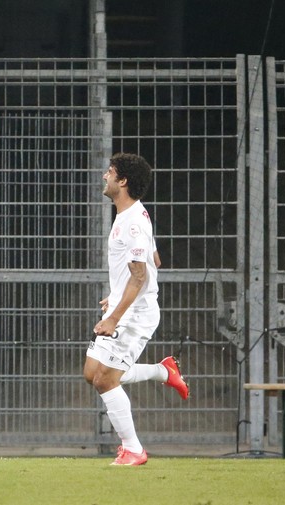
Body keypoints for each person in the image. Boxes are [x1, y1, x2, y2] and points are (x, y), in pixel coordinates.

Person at [83, 152, 189, 466]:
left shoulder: (131, 224)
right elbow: (152, 261)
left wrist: (114, 316)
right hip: (122, 305)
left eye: (110, 172)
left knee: (105, 379)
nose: (105, 176)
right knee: (92, 373)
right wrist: (115, 297)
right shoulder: (131, 215)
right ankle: (163, 370)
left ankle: (133, 449)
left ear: (123, 181)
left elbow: (141, 276)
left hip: (135, 315)